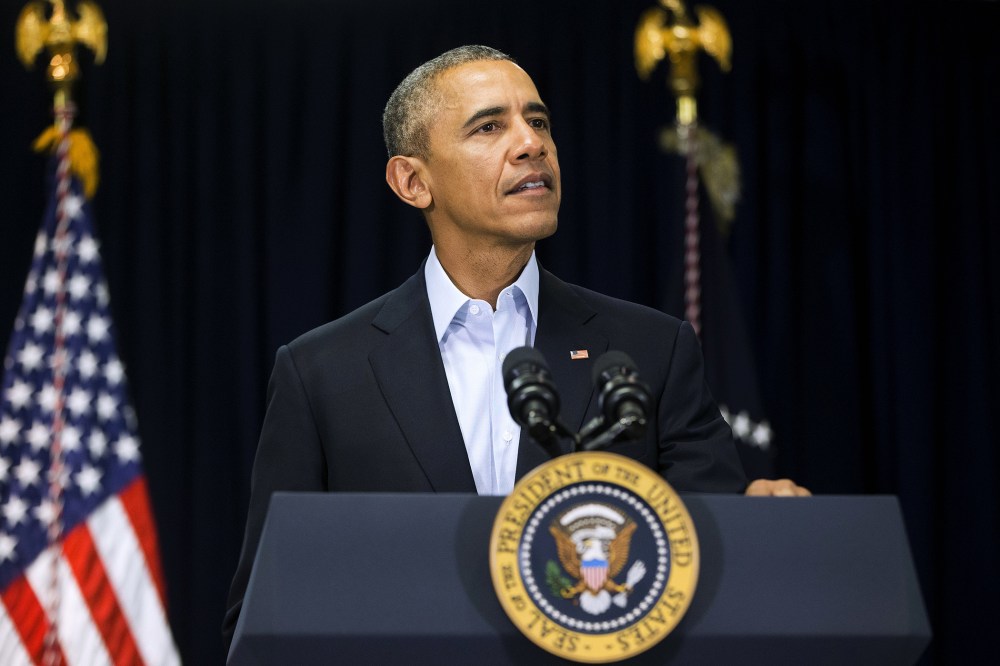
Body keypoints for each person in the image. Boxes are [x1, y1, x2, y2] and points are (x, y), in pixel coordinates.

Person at [222, 44, 808, 651]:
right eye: (489, 126)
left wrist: (756, 529)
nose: (532, 143)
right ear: (413, 181)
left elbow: (712, 574)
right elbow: (261, 617)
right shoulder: (322, 373)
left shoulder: (652, 349)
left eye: (539, 122)